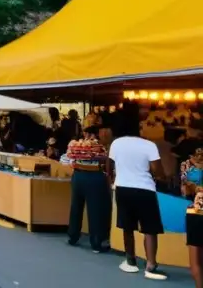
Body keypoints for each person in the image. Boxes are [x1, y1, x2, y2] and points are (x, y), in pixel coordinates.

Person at [109, 120, 166, 279]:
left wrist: (113, 180)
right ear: (139, 130)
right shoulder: (149, 145)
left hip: (122, 187)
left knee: (127, 226)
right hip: (145, 189)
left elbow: (110, 165)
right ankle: (151, 264)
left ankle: (130, 261)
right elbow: (158, 171)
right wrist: (162, 176)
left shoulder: (116, 143)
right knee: (150, 228)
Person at [62, 124, 110, 254]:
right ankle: (96, 243)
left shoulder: (74, 144)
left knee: (76, 207)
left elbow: (69, 159)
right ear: (96, 134)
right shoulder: (99, 146)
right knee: (94, 209)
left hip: (78, 176)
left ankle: (73, 236)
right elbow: (106, 160)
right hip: (94, 177)